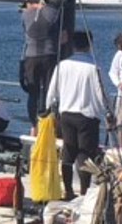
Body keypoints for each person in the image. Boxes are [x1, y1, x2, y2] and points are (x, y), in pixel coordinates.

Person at [46, 30, 107, 199]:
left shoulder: (62, 65)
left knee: (68, 151)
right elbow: (101, 94)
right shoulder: (94, 67)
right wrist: (108, 112)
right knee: (85, 155)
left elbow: (52, 92)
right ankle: (85, 191)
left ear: (73, 45)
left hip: (66, 114)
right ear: (90, 44)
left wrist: (49, 109)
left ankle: (68, 190)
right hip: (87, 116)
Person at [20, 0, 62, 131]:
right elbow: (62, 34)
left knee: (33, 93)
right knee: (50, 90)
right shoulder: (53, 12)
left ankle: (34, 124)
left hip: (31, 56)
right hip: (49, 54)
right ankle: (49, 122)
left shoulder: (25, 14)